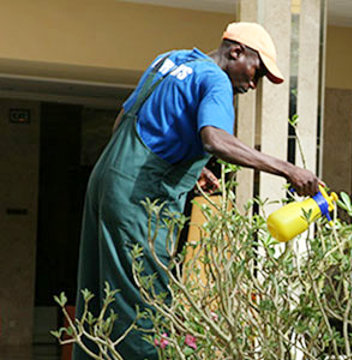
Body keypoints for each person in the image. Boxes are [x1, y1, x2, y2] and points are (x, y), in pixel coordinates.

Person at [73, 22, 320, 359]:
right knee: (144, 306)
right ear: (236, 51)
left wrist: (191, 165)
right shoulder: (216, 80)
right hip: (138, 198)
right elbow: (215, 139)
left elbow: (126, 120)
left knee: (100, 298)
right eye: (255, 72)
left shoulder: (170, 60)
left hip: (106, 180)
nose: (251, 83)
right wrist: (288, 169)